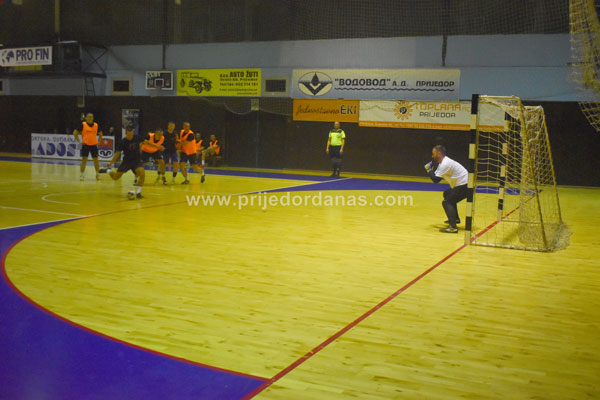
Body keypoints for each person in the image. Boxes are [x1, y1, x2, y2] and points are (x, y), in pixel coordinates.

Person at [425, 145, 469, 233]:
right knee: (447, 194)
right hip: (465, 184)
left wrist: (428, 169)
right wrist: (430, 171)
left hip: (464, 186)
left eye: (433, 154)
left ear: (439, 153)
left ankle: (453, 227)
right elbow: (436, 176)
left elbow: (436, 179)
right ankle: (455, 218)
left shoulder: (445, 164)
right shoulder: (443, 163)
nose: (432, 156)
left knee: (447, 202)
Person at [105, 125, 145, 199]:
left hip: (136, 160)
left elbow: (147, 142)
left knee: (142, 174)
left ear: (133, 132)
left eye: (131, 133)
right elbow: (117, 153)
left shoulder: (137, 137)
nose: (130, 135)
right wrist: (111, 162)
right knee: (115, 178)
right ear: (126, 133)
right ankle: (108, 170)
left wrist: (157, 147)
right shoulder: (123, 142)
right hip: (127, 161)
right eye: (129, 134)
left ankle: (138, 193)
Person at [73, 112, 103, 181]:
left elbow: (101, 133)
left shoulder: (96, 125)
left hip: (94, 145)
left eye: (92, 117)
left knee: (96, 160)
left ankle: (97, 174)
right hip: (85, 145)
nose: (91, 118)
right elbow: (75, 133)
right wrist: (79, 141)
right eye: (89, 117)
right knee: (84, 160)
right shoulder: (83, 124)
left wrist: (99, 141)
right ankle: (82, 175)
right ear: (86, 118)